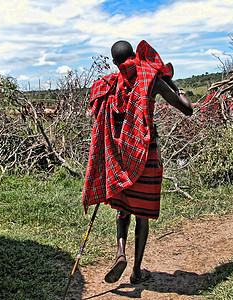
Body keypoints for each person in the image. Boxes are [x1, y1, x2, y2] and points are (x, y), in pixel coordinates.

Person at [82, 40, 193, 284]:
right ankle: (136, 272)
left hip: (120, 153)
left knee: (123, 207)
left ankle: (120, 252)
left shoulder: (111, 84)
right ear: (134, 55)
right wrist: (174, 85)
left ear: (114, 62)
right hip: (145, 153)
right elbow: (187, 109)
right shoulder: (150, 79)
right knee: (141, 212)